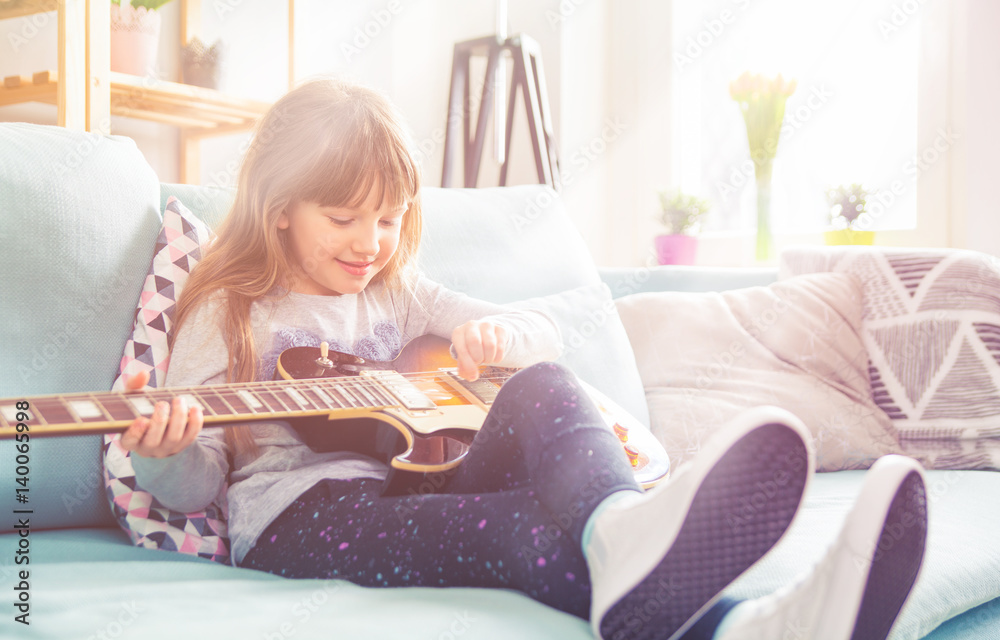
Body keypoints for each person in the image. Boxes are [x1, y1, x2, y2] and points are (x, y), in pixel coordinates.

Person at [117, 77, 927, 640]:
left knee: (541, 385)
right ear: (281, 207)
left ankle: (621, 527)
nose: (372, 244)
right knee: (520, 535)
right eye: (345, 219)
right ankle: (757, 624)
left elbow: (542, 339)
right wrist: (168, 453)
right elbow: (196, 486)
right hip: (299, 520)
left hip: (411, 476)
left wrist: (499, 338)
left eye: (391, 220)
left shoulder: (396, 291)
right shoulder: (229, 309)